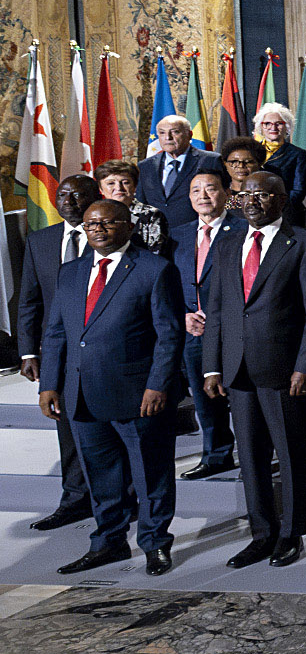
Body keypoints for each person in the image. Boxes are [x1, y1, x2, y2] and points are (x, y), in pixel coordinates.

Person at [38, 199, 184, 577]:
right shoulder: (69, 273)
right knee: (101, 475)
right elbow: (56, 333)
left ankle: (155, 544)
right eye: (90, 224)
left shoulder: (154, 269)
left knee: (150, 473)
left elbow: (169, 335)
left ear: (128, 225)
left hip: (138, 395)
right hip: (82, 393)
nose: (98, 229)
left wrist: (158, 384)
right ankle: (108, 542)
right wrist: (50, 384)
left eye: (106, 222)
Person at [203, 171, 306, 566]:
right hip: (236, 369)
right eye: (246, 194)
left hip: (284, 369)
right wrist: (211, 366)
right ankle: (262, 532)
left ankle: (291, 534)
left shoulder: (305, 244)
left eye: (262, 195)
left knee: (291, 455)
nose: (252, 200)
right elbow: (219, 309)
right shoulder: (226, 244)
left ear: (280, 200)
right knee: (251, 456)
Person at [15, 174, 100, 533]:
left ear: (93, 198)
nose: (68, 200)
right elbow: (30, 300)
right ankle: (75, 500)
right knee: (67, 430)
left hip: (105, 351)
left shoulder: (111, 234)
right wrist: (25, 351)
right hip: (58, 353)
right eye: (62, 194)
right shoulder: (40, 241)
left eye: (77, 194)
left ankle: (119, 499)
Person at [169, 165, 242, 481]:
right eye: (196, 190)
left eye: (210, 188)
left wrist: (219, 319)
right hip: (193, 331)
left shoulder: (243, 231)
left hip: (235, 329)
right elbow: (166, 284)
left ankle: (256, 454)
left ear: (226, 193)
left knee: (242, 397)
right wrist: (183, 315)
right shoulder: (176, 235)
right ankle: (216, 455)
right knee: (204, 397)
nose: (203, 196)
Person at [135, 114, 221, 232]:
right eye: (162, 133)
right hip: (156, 237)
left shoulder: (210, 160)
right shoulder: (145, 166)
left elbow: (221, 198)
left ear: (189, 135)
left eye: (175, 132)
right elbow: (141, 204)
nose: (168, 137)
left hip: (195, 233)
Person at [94, 159, 165, 252]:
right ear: (101, 189)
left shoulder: (151, 215)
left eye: (125, 182)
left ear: (135, 186)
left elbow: (156, 253)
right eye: (111, 183)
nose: (118, 188)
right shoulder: (94, 215)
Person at [253, 103, 306, 200]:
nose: (273, 128)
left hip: (284, 208)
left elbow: (298, 191)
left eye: (279, 123)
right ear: (261, 126)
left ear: (287, 126)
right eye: (267, 123)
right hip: (252, 206)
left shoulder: (298, 154)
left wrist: (275, 204)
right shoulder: (251, 150)